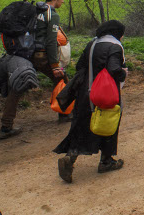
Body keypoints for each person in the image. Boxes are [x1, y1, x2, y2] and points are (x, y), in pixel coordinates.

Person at [54, 20, 128, 183]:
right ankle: (106, 161)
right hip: (104, 93)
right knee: (109, 123)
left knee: (82, 125)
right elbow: (114, 68)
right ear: (117, 33)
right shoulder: (115, 47)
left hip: (85, 92)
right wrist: (123, 74)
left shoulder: (92, 43)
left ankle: (70, 157)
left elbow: (80, 65)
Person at [0, 0, 68, 139]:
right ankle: (64, 113)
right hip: (41, 56)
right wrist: (55, 65)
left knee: (18, 86)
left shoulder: (34, 10)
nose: (63, 2)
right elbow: (50, 41)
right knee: (61, 79)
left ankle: (6, 125)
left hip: (24, 53)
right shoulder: (52, 15)